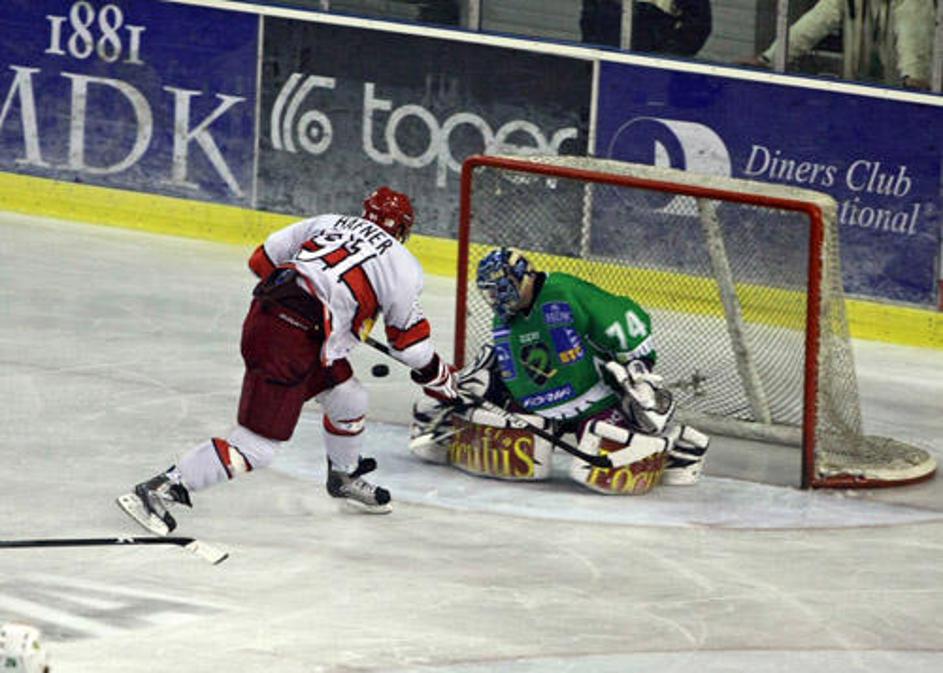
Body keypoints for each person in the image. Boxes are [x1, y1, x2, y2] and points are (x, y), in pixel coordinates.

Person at [118, 187, 457, 533]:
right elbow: (410, 348)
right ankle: (161, 488)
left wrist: (321, 299)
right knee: (257, 447)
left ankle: (343, 476)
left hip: (277, 321)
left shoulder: (329, 222)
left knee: (348, 395)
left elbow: (260, 261)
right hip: (290, 340)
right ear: (403, 229)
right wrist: (440, 378)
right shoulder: (402, 263)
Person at [410, 247, 709, 495]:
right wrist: (480, 387)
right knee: (496, 418)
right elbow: (513, 365)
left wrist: (638, 370)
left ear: (523, 277)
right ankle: (448, 425)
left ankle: (680, 448)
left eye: (500, 290)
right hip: (536, 410)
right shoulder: (504, 320)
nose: (496, 300)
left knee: (603, 453)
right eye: (490, 294)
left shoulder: (564, 291)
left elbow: (622, 317)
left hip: (594, 403)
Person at [742, 0, 934, 90]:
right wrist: (769, 59)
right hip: (865, 90)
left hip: (915, 98)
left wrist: (914, 77)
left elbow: (913, 34)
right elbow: (814, 23)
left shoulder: (915, 3)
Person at [581, 0, 713, 57]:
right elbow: (590, 17)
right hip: (603, 63)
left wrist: (665, 60)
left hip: (652, 71)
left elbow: (698, 27)